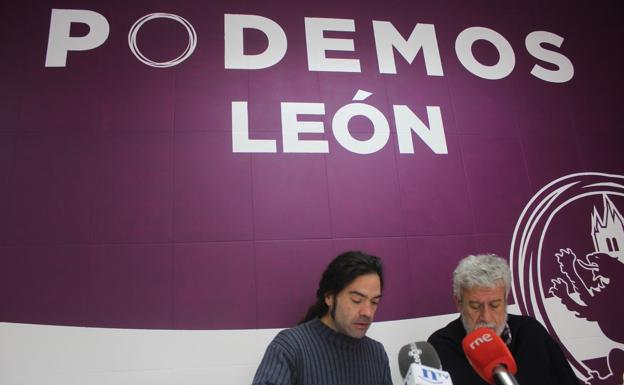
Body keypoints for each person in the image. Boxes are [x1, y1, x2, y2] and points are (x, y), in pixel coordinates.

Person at [428, 253, 580, 385]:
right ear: (458, 303)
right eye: (475, 306)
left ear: (506, 300)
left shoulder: (531, 333)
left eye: (495, 305)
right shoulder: (440, 347)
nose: (486, 317)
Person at [251, 251, 393, 385]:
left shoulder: (377, 354)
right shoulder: (290, 348)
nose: (368, 312)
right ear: (329, 297)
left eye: (374, 302)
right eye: (356, 300)